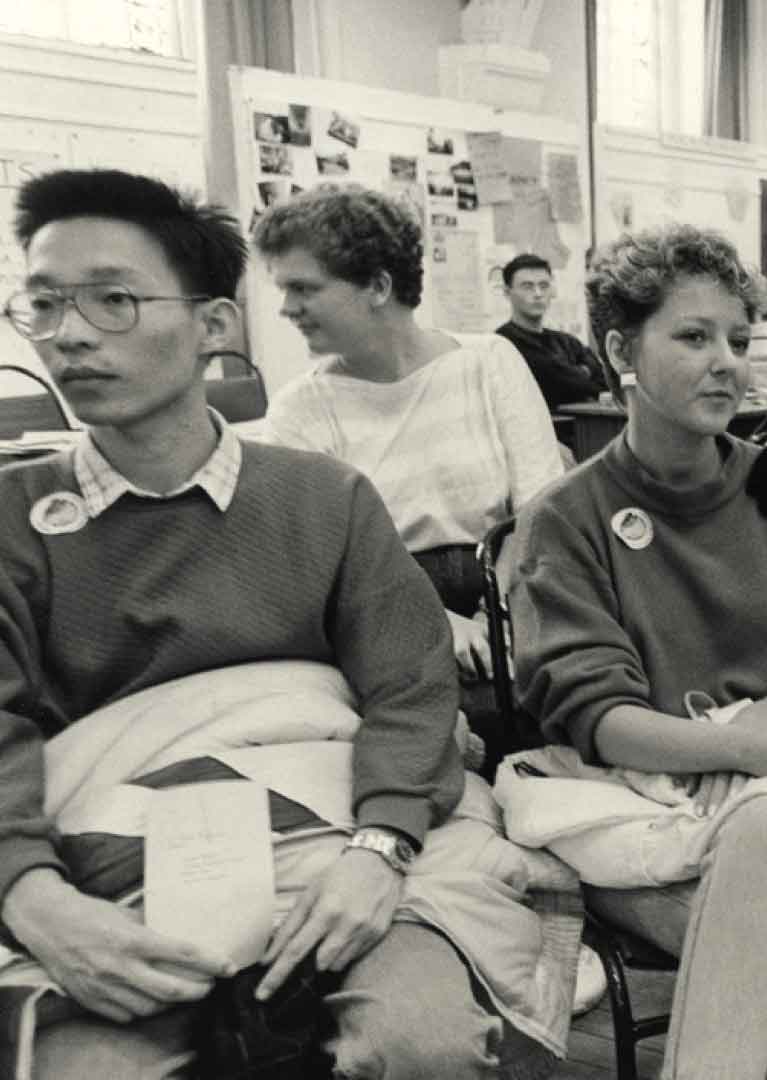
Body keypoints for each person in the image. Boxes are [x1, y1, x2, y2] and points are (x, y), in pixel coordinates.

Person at [0, 168, 571, 1078]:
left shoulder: (324, 500)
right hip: (103, 869)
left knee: (420, 1045)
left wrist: (381, 847)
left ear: (214, 326)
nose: (69, 334)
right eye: (43, 304)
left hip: (343, 836)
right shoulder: (11, 522)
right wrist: (28, 893)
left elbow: (410, 686)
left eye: (112, 300)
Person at [509, 225, 767, 1080]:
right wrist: (752, 748)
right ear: (620, 350)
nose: (728, 362)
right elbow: (600, 718)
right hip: (628, 818)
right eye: (693, 336)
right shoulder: (566, 518)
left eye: (740, 340)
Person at [254, 185, 567, 747]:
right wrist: (434, 622)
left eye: (303, 288)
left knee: (547, 706)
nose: (286, 309)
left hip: (510, 590)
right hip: (377, 616)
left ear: (377, 285)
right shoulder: (300, 409)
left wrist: (499, 618)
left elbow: (542, 514)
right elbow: (319, 566)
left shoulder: (489, 362)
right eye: (284, 290)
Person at [495, 252, 606, 410]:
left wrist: (576, 375)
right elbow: (556, 383)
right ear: (507, 292)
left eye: (544, 285)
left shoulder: (567, 341)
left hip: (581, 430)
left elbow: (605, 380)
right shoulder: (503, 342)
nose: (538, 294)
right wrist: (584, 372)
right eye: (527, 286)